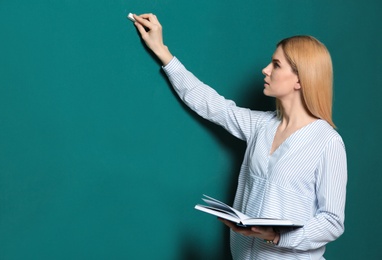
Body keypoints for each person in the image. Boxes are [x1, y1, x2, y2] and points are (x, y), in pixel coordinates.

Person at [131, 13, 347, 260]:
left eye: (276, 65)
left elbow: (332, 221)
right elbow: (211, 104)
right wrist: (161, 50)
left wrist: (277, 235)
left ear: (300, 79)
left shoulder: (327, 142)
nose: (265, 70)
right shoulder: (261, 125)